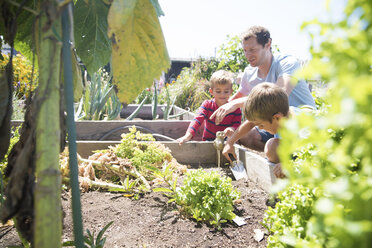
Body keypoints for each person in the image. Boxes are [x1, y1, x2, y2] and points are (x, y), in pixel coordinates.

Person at [210, 26, 315, 152]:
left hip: (299, 123)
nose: (248, 55)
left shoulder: (287, 63)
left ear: (268, 44)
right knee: (246, 137)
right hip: (270, 122)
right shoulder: (250, 73)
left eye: (252, 49)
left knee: (272, 147)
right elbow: (235, 100)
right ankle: (277, 157)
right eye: (245, 50)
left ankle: (289, 158)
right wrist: (210, 114)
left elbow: (278, 96)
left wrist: (234, 104)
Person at [223, 83, 299, 178]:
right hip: (292, 149)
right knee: (272, 147)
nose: (260, 128)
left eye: (261, 125)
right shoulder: (281, 117)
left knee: (272, 146)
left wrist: (290, 164)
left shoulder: (302, 127)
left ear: (277, 117)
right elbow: (251, 122)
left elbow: (316, 155)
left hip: (310, 159)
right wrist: (230, 143)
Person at [177, 70, 242, 145]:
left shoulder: (235, 108)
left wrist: (232, 129)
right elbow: (197, 119)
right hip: (208, 141)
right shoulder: (207, 105)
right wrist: (187, 136)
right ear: (211, 91)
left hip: (227, 142)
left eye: (226, 91)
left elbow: (237, 125)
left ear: (231, 91)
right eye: (218, 91)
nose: (222, 95)